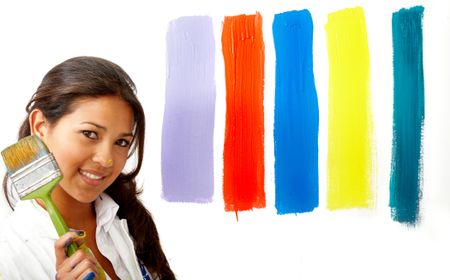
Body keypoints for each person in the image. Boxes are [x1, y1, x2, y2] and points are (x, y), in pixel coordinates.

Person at [0, 56, 176, 280]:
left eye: (121, 142)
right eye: (90, 134)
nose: (106, 160)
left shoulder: (126, 220)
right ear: (40, 127)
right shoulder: (8, 257)